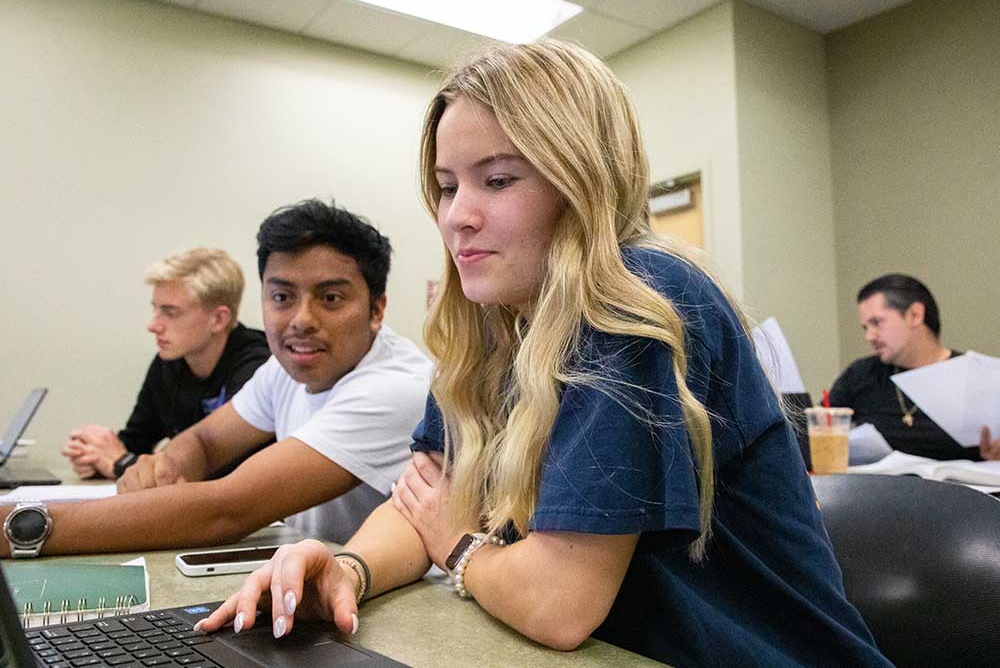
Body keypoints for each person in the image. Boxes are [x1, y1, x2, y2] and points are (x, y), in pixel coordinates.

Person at [198, 41, 892, 668]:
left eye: (497, 180)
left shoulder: (635, 302)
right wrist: (347, 572)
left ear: (582, 180)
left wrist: (460, 545)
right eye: (446, 185)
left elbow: (556, 604)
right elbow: (423, 501)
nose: (455, 215)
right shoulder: (490, 329)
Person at [0, 200, 431, 555]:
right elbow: (204, 442)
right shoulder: (286, 365)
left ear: (376, 309)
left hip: (401, 606)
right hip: (311, 568)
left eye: (330, 298)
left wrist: (20, 526)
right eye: (282, 297)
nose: (301, 320)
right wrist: (166, 467)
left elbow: (228, 509)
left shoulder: (395, 388)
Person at [62, 248, 271, 480]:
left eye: (170, 313)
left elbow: (225, 470)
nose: (153, 326)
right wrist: (95, 457)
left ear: (218, 319)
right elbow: (136, 441)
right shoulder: (168, 363)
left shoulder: (259, 366)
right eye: (156, 309)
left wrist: (120, 464)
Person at [830, 274, 1000, 461]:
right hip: (879, 488)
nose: (870, 336)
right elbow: (817, 427)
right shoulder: (860, 374)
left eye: (877, 323)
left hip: (962, 488)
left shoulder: (978, 376)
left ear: (915, 315)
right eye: (865, 328)